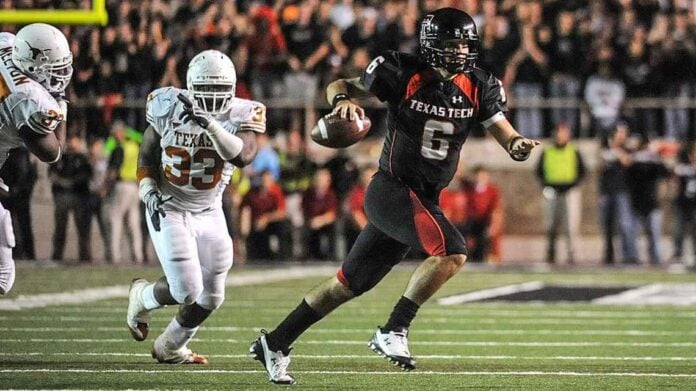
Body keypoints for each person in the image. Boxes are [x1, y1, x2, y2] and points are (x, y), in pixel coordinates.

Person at [249, 8, 539, 384]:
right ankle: (394, 329)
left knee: (346, 285)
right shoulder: (402, 71)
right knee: (452, 250)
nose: (460, 53)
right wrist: (341, 103)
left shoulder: (479, 84)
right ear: (432, 46)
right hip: (391, 188)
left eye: (466, 45)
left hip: (423, 198)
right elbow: (341, 85)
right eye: (452, 46)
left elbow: (501, 127)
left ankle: (275, 342)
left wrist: (515, 143)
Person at [126, 50, 264, 364]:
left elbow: (243, 156)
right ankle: (141, 297)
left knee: (213, 294)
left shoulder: (243, 112)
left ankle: (171, 346)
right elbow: (148, 151)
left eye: (221, 90)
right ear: (190, 86)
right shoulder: (168, 104)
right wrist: (147, 188)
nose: (215, 97)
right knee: (186, 289)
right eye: (207, 89)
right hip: (169, 205)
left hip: (209, 208)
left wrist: (212, 126)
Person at [0, 24, 72, 294]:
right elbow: (53, 152)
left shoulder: (6, 43)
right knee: (3, 278)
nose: (62, 74)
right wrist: (62, 103)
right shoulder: (32, 100)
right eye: (55, 67)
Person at [535, 122, 586, 264]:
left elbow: (582, 171)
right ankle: (550, 254)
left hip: (570, 192)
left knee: (570, 226)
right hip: (552, 191)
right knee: (550, 225)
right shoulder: (548, 151)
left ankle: (572, 255)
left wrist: (574, 185)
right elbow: (539, 171)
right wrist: (546, 185)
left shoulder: (573, 150)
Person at [598, 123, 638, 265]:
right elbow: (601, 164)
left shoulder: (626, 149)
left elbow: (627, 161)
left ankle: (630, 255)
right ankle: (609, 255)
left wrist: (617, 151)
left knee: (625, 224)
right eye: (620, 133)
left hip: (622, 191)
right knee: (606, 224)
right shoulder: (605, 147)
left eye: (624, 133)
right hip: (606, 191)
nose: (622, 136)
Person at [104, 121, 144, 264]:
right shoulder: (134, 147)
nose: (114, 136)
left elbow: (113, 171)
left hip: (121, 185)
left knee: (115, 220)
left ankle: (115, 255)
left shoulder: (119, 148)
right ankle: (137, 255)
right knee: (134, 223)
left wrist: (106, 187)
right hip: (135, 186)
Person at [48, 135, 92, 262]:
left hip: (78, 196)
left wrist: (69, 182)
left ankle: (85, 256)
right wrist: (63, 182)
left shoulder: (82, 159)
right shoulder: (61, 158)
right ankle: (57, 255)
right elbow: (52, 175)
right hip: (62, 196)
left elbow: (86, 176)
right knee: (60, 228)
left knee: (82, 228)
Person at [240, 170, 292, 261]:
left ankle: (284, 257)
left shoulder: (276, 191)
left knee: (283, 227)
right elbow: (243, 207)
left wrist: (266, 218)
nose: (265, 182)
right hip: (256, 223)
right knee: (255, 236)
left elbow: (281, 212)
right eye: (263, 180)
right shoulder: (252, 193)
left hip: (272, 222)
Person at [301, 168, 338, 260]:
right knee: (308, 229)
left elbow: (332, 214)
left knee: (333, 227)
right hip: (312, 221)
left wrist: (320, 220)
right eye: (317, 180)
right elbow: (305, 209)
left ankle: (331, 256)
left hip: (325, 222)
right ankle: (312, 255)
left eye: (322, 180)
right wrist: (312, 221)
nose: (319, 182)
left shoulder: (331, 194)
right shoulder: (308, 193)